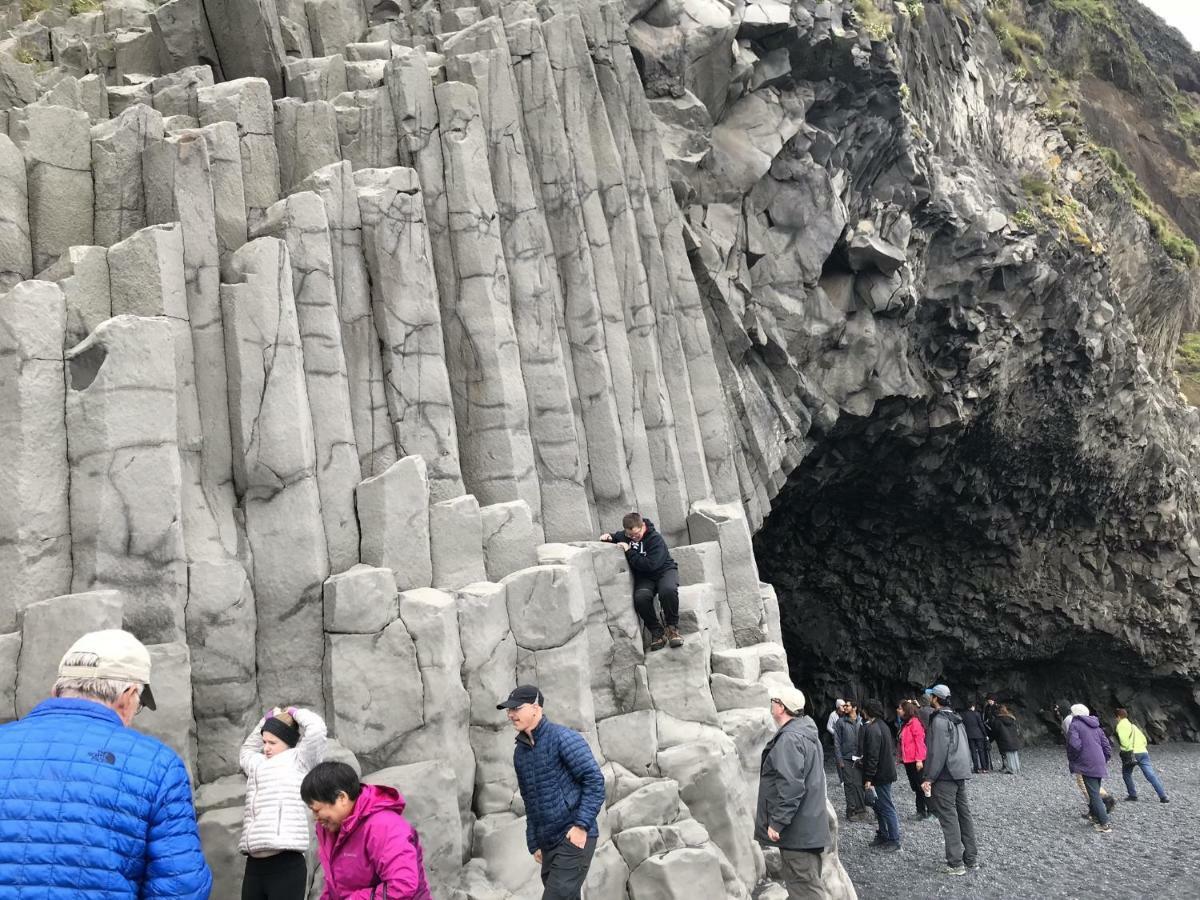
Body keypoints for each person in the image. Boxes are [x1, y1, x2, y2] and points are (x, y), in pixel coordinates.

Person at [0, 629, 212, 897]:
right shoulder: (158, 765)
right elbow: (181, 888)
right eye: (139, 705)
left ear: (56, 690)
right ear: (127, 694)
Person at [499, 685, 605, 899]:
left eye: (516, 709)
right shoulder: (520, 753)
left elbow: (595, 782)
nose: (510, 714)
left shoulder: (563, 738)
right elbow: (530, 801)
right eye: (509, 710)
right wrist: (534, 842)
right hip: (548, 844)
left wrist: (581, 827)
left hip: (573, 837)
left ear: (536, 708)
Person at [301, 761, 433, 898]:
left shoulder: (383, 826)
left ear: (342, 798)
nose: (314, 818)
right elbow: (336, 886)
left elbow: (402, 884)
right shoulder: (332, 830)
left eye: (317, 810)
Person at [240, 705, 328, 898]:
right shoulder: (257, 763)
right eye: (264, 742)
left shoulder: (300, 760)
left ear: (288, 741)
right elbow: (246, 750)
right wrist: (266, 719)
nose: (266, 747)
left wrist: (296, 713)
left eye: (272, 742)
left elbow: (317, 730)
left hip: (286, 863)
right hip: (254, 864)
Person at [755, 686, 831, 899]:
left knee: (805, 890)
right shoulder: (806, 732)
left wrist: (777, 821)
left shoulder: (790, 739)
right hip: (808, 827)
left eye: (774, 700)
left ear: (782, 707)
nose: (771, 703)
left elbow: (791, 786)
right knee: (801, 887)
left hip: (798, 833)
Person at [600, 512, 681, 650]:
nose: (634, 537)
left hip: (664, 570)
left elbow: (650, 565)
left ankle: (672, 629)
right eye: (630, 535)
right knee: (640, 598)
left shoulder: (655, 539)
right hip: (645, 577)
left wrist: (629, 551)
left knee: (667, 591)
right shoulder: (625, 536)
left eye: (636, 534)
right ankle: (657, 632)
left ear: (642, 526)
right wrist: (607, 537)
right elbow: (615, 536)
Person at [921, 684, 978, 876]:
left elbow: (937, 752)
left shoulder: (938, 721)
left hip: (945, 775)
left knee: (949, 817)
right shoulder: (957, 718)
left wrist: (929, 777)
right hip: (960, 772)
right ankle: (971, 859)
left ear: (935, 699)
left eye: (931, 697)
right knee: (964, 815)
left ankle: (955, 864)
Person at [1062, 700, 1116, 818]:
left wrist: (1075, 759)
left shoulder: (1072, 722)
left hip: (1084, 760)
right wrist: (1104, 759)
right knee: (1092, 785)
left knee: (1085, 785)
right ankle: (1096, 809)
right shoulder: (1095, 724)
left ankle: (1101, 808)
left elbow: (1073, 743)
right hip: (1098, 760)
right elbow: (1106, 746)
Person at [859, 698, 900, 851]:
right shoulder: (884, 726)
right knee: (879, 806)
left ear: (867, 711)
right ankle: (883, 834)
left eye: (863, 710)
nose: (861, 712)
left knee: (886, 806)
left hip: (879, 775)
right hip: (885, 771)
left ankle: (894, 839)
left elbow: (873, 756)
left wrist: (869, 778)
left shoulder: (872, 728)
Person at [1114, 708, 1169, 803]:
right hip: (1143, 752)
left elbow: (1124, 742)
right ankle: (1163, 796)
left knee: (1126, 774)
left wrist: (1125, 749)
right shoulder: (1133, 726)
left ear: (1118, 717)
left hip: (1131, 754)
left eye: (1116, 717)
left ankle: (1132, 795)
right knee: (1151, 775)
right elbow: (1144, 740)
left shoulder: (1121, 726)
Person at [832, 698, 867, 821]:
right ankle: (851, 810)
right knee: (849, 785)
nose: (844, 707)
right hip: (846, 758)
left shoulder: (862, 721)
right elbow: (836, 742)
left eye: (847, 705)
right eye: (844, 705)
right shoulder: (840, 722)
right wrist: (839, 759)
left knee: (859, 784)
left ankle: (861, 809)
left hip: (860, 758)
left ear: (854, 707)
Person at [899, 700, 929, 820]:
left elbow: (919, 742)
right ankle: (923, 810)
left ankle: (924, 811)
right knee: (917, 786)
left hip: (915, 760)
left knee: (920, 785)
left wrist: (919, 760)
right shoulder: (906, 723)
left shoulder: (914, 723)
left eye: (900, 708)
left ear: (906, 711)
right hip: (909, 760)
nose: (898, 710)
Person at [991, 705, 1022, 774]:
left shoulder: (998, 720)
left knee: (1009, 755)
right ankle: (1017, 768)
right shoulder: (1012, 718)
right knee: (1014, 754)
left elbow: (995, 731)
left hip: (1005, 739)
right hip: (1014, 739)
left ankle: (1012, 769)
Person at [961, 702, 990, 773]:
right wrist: (985, 735)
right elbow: (981, 725)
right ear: (972, 707)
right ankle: (984, 768)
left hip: (969, 735)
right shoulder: (977, 714)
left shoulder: (963, 715)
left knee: (973, 752)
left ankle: (976, 768)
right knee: (981, 751)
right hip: (979, 735)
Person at [825, 699, 845, 781]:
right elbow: (828, 727)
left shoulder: (845, 714)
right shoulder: (833, 715)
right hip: (837, 739)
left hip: (846, 738)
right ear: (838, 707)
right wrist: (835, 734)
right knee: (838, 758)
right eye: (842, 705)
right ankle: (841, 779)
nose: (844, 707)